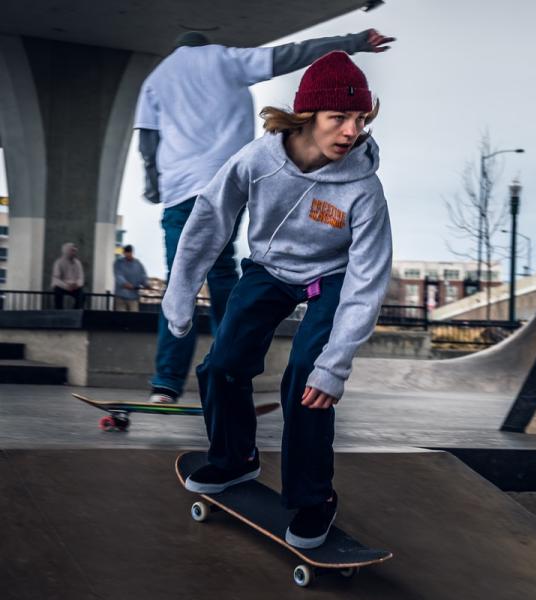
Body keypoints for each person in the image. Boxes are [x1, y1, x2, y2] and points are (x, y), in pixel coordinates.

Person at [163, 51, 392, 549]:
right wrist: (180, 291)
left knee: (308, 379)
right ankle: (234, 457)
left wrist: (334, 366)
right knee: (222, 364)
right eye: (339, 118)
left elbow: (368, 279)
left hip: (334, 277)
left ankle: (314, 500)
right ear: (307, 116)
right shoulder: (257, 161)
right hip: (269, 269)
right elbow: (209, 219)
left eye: (360, 118)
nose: (351, 131)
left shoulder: (365, 190)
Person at [135, 28, 394, 404]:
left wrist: (153, 183)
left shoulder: (155, 79)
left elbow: (147, 138)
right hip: (232, 173)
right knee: (223, 273)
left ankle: (168, 381)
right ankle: (235, 355)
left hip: (181, 186)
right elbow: (293, 54)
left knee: (182, 275)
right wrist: (354, 43)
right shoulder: (225, 59)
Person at [113, 245, 149, 312]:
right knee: (120, 318)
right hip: (121, 296)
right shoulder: (118, 263)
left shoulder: (138, 264)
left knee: (133, 317)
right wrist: (125, 284)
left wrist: (146, 284)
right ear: (124, 253)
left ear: (132, 252)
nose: (128, 254)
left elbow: (143, 276)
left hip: (133, 297)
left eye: (129, 252)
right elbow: (118, 275)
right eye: (126, 253)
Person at [51, 242, 85, 309]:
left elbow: (81, 277)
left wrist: (77, 284)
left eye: (75, 251)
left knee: (82, 296)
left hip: (75, 286)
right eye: (72, 251)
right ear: (66, 251)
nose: (74, 253)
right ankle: (59, 313)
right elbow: (56, 279)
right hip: (62, 286)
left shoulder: (78, 263)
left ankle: (75, 312)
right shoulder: (58, 262)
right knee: (57, 292)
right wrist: (66, 286)